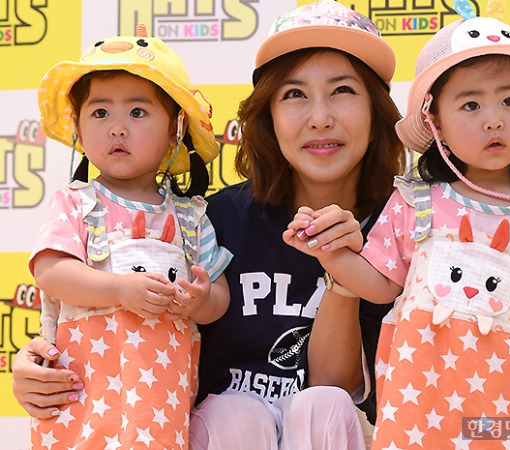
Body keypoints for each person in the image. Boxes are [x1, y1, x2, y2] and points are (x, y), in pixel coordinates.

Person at [13, 1, 403, 449]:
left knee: (324, 405)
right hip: (203, 432)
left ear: (376, 113)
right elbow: (105, 301)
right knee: (232, 412)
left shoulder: (406, 229)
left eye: (343, 91)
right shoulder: (210, 219)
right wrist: (38, 366)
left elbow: (332, 392)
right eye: (294, 94)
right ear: (267, 118)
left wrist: (341, 269)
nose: (320, 117)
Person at [284, 8, 510, 450]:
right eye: (470, 104)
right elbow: (382, 286)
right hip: (420, 401)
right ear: (436, 122)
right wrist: (331, 254)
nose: (493, 120)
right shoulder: (416, 201)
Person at [26, 25, 232, 449]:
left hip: (161, 390)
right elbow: (50, 270)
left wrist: (200, 299)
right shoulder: (77, 202)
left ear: (175, 129)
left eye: (137, 113)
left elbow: (217, 297)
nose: (117, 128)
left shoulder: (192, 217)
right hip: (83, 390)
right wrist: (120, 289)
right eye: (100, 113)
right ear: (79, 130)